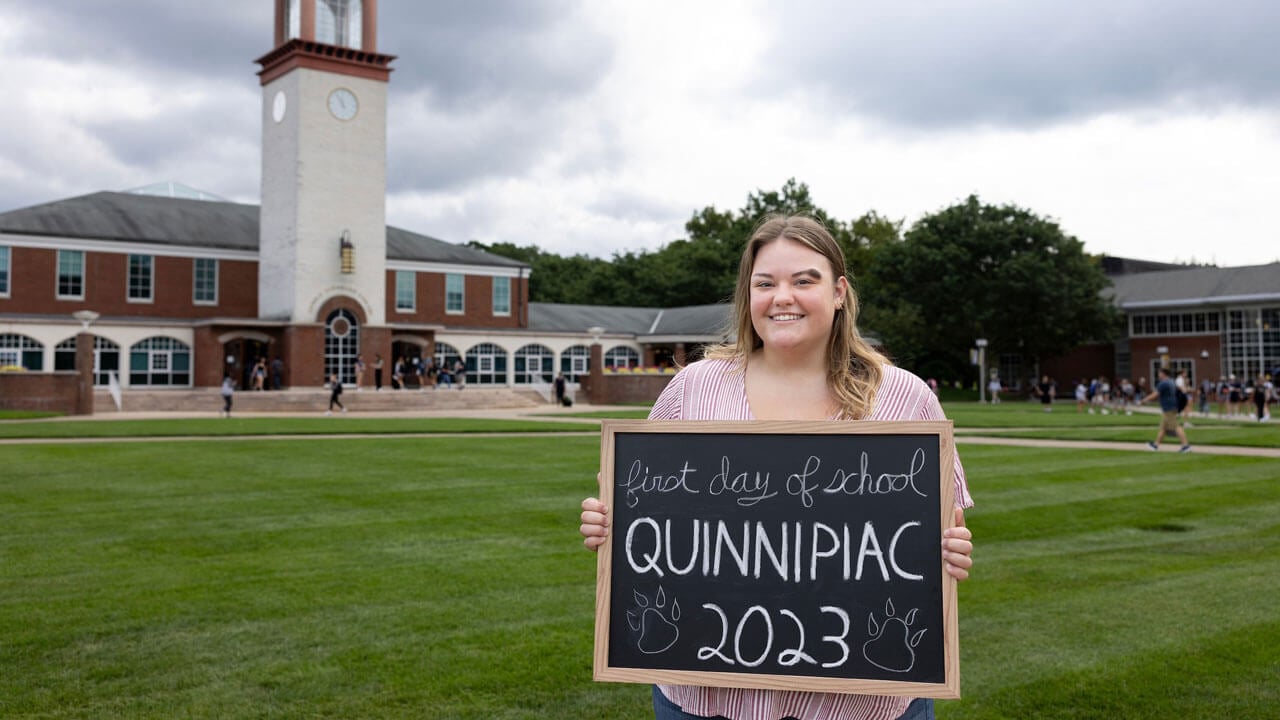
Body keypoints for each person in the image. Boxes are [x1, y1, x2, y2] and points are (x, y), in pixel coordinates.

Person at [577, 215, 974, 720]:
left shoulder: (903, 397)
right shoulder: (693, 389)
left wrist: (951, 551)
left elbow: (943, 532)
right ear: (748, 296)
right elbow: (644, 516)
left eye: (804, 280)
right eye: (765, 283)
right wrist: (609, 526)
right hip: (705, 697)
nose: (782, 296)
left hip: (866, 702)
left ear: (839, 292)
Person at [1143, 367, 1190, 452]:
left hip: (1169, 408)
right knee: (1163, 428)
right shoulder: (1171, 381)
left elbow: (1155, 394)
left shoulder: (1163, 383)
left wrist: (1144, 400)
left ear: (1163, 374)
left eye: (1159, 373)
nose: (1158, 375)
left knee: (1176, 426)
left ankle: (1185, 446)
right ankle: (1155, 445)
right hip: (1172, 406)